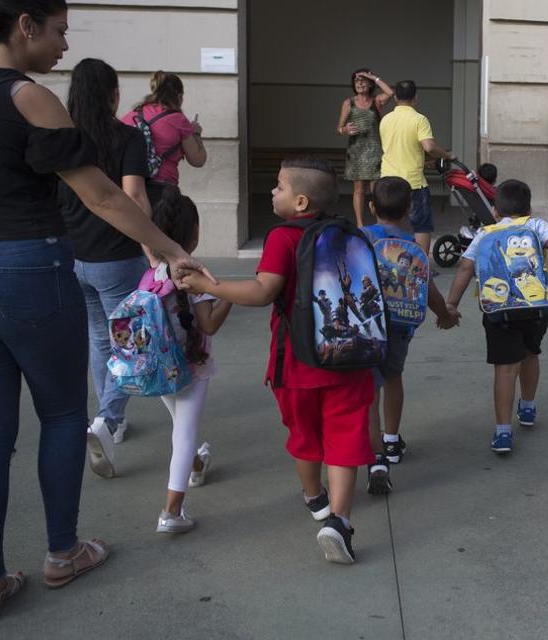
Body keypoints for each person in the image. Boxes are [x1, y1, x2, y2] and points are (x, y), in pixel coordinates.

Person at [0, 0, 207, 627]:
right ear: (24, 25)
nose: (66, 46)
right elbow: (98, 194)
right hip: (26, 273)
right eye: (60, 32)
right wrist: (171, 249)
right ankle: (63, 553)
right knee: (65, 416)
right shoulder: (27, 96)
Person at [179, 158, 372, 564]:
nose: (272, 191)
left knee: (305, 436)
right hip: (350, 356)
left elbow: (263, 291)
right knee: (344, 438)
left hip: (298, 362)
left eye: (279, 187)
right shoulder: (347, 233)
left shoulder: (281, 237)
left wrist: (206, 285)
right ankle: (340, 520)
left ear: (300, 202)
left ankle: (314, 498)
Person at [446, 179, 548, 453]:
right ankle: (527, 407)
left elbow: (466, 268)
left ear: (495, 210)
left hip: (498, 309)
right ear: (528, 209)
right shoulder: (535, 226)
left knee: (505, 368)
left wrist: (452, 304)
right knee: (530, 353)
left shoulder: (484, 232)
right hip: (535, 307)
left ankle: (503, 431)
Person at [57, 58, 150, 476]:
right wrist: (153, 244)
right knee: (127, 342)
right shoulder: (126, 137)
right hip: (117, 256)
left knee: (100, 338)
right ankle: (107, 420)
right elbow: (133, 196)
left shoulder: (60, 138)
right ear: (112, 94)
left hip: (73, 256)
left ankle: (111, 418)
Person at [360, 176, 460, 493]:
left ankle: (376, 457)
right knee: (393, 378)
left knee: (369, 391)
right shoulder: (414, 248)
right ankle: (392, 441)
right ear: (409, 211)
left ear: (371, 206)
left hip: (366, 327)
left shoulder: (360, 238)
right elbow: (427, 290)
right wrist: (445, 314)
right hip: (400, 329)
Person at [148, 188, 232, 534]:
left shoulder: (155, 272)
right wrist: (228, 297)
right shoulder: (197, 278)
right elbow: (209, 324)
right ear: (194, 234)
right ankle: (171, 512)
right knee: (184, 433)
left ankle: (197, 464)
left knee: (181, 427)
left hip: (158, 363)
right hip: (192, 364)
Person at [378, 80, 454, 254]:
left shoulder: (386, 120)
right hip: (413, 183)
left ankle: (386, 262)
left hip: (387, 181)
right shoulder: (419, 119)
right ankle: (421, 267)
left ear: (395, 96)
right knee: (421, 225)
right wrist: (448, 155)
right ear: (415, 97)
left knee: (387, 223)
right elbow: (429, 147)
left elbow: (395, 148)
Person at [120, 71, 206, 206]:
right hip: (164, 190)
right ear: (179, 96)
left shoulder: (131, 116)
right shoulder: (179, 120)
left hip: (131, 188)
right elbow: (198, 160)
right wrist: (196, 133)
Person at [337, 68, 393, 227]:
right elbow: (339, 128)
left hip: (375, 150)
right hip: (356, 152)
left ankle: (379, 222)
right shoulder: (348, 103)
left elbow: (390, 92)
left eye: (363, 79)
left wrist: (374, 77)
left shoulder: (376, 101)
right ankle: (360, 225)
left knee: (377, 191)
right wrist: (345, 130)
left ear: (369, 83)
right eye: (356, 80)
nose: (360, 82)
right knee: (359, 190)